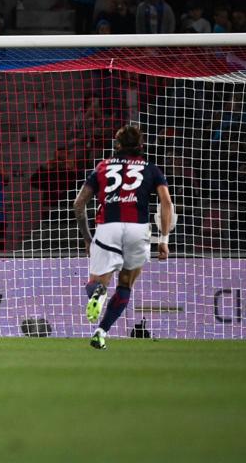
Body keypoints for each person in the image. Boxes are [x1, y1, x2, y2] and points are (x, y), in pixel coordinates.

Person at [72, 124, 174, 350]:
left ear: (116, 145)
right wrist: (164, 239)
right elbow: (166, 203)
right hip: (138, 230)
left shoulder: (102, 167)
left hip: (108, 227)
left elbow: (79, 205)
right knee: (126, 283)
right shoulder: (151, 169)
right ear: (141, 146)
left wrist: (88, 239)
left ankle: (97, 293)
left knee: (96, 283)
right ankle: (101, 332)